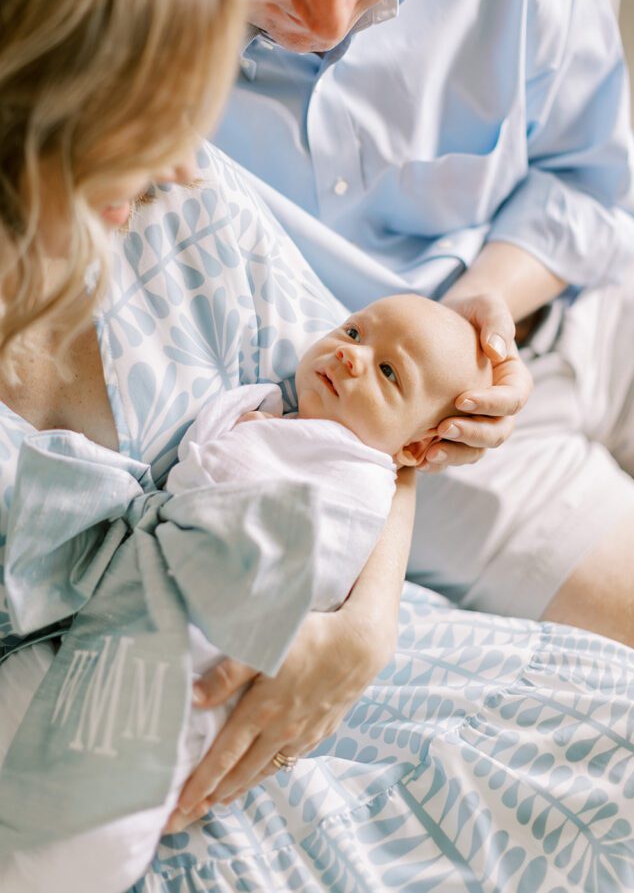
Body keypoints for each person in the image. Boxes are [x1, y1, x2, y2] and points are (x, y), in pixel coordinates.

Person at [0, 0, 634, 891]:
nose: (325, 12)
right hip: (404, 424)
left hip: (518, 315)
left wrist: (366, 623)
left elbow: (588, 181)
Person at [138, 0, 634, 695]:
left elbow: (586, 181)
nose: (326, 17)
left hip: (576, 297)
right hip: (422, 447)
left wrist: (489, 296)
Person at [0, 295, 490, 892]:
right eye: (354, 329)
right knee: (21, 700)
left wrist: (233, 470)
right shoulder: (274, 411)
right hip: (111, 606)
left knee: (100, 810)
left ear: (413, 450)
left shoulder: (359, 482)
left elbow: (305, 556)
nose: (352, 355)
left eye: (389, 372)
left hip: (201, 655)